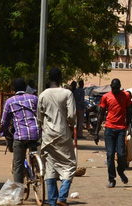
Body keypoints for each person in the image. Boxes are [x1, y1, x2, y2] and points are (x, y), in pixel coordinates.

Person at [37, 68, 77, 206]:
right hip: (63, 133)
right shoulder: (67, 93)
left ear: (49, 79)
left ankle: (52, 201)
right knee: (70, 165)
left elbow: (39, 117)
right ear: (60, 78)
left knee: (50, 166)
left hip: (47, 134)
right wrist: (70, 125)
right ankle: (62, 197)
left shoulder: (43, 95)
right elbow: (71, 116)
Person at [0, 77, 40, 184]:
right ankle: (37, 167)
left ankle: (19, 194)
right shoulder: (34, 98)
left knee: (18, 165)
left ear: (14, 89)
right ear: (25, 88)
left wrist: (4, 132)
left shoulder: (9, 102)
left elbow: (4, 122)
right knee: (33, 147)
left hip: (21, 136)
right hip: (36, 133)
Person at [94, 78, 132, 188]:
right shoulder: (106, 97)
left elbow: (129, 111)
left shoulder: (125, 96)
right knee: (110, 155)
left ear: (120, 86)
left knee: (121, 154)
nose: (115, 90)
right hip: (109, 129)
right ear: (111, 87)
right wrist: (96, 132)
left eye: (117, 88)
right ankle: (112, 179)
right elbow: (101, 115)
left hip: (121, 129)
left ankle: (120, 171)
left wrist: (129, 125)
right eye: (113, 88)